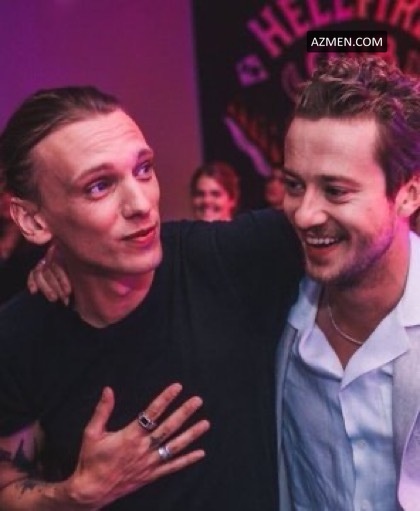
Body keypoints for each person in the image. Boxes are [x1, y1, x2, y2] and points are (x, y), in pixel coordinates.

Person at [0, 86, 303, 510]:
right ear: (33, 220)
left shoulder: (224, 260)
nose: (141, 203)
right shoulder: (20, 337)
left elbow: (357, 213)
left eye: (143, 169)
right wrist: (74, 496)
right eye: (99, 186)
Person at [277, 57, 420, 510]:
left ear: (408, 194)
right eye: (294, 185)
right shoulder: (271, 302)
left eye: (336, 191)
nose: (305, 215)